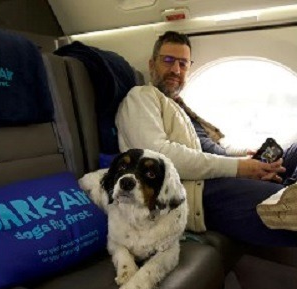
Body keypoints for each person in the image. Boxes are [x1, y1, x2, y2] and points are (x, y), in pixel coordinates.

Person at [116, 31, 297, 246]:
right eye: (168, 60)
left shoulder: (180, 108)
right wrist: (240, 168)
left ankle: (285, 189)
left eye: (183, 64)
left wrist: (245, 156)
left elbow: (211, 147)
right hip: (194, 190)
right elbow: (159, 157)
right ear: (152, 64)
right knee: (289, 207)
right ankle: (284, 194)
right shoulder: (141, 97)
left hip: (213, 175)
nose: (176, 70)